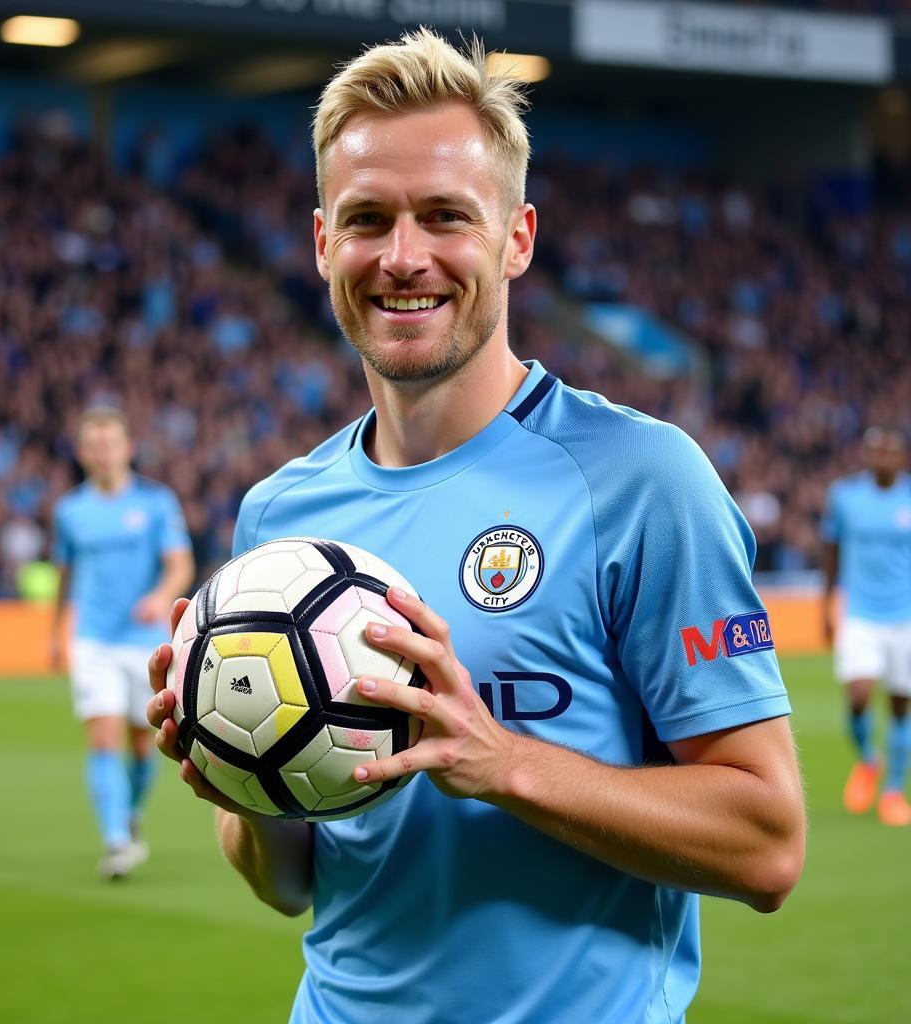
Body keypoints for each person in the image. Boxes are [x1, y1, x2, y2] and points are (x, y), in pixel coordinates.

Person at [146, 29, 805, 1023]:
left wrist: (502, 763)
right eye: (367, 219)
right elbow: (289, 884)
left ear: (516, 237)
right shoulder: (281, 517)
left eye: (445, 216)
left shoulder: (638, 479)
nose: (403, 257)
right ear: (324, 243)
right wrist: (241, 773)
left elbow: (766, 843)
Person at [52, 406, 194, 878]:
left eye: (111, 443)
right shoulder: (71, 511)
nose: (104, 453)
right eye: (94, 445)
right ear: (82, 453)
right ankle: (116, 841)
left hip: (143, 642)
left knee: (142, 744)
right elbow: (66, 575)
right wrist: (57, 632)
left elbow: (179, 564)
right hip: (93, 639)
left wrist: (159, 597)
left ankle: (129, 814)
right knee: (103, 738)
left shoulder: (156, 503)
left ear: (128, 448)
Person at [822, 426, 911, 826]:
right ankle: (869, 761)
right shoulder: (845, 497)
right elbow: (831, 551)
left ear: (901, 456)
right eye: (875, 450)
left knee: (899, 707)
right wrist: (826, 606)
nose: (883, 457)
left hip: (905, 615)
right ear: (867, 454)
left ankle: (893, 792)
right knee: (858, 695)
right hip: (860, 612)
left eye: (890, 451)